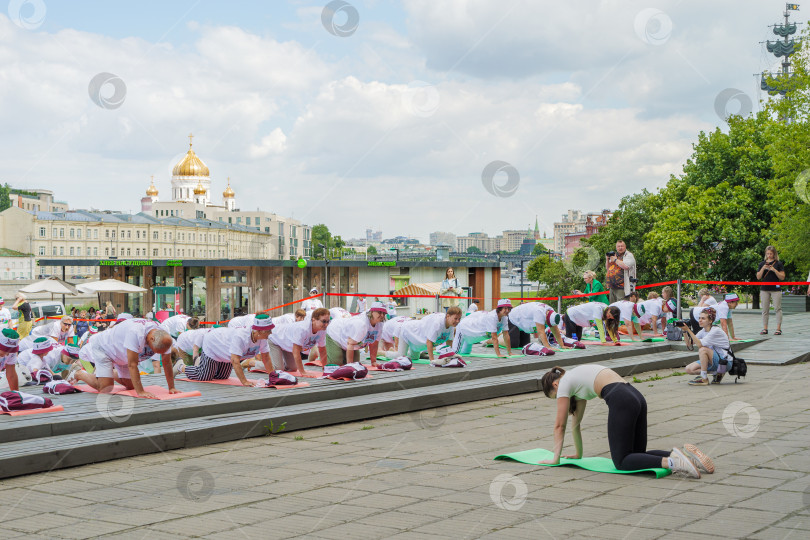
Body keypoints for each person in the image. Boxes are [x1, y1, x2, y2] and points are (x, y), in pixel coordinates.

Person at [539, 365, 712, 478]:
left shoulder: (563, 384)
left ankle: (674, 463)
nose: (561, 399)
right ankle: (686, 457)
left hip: (621, 399)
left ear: (555, 385)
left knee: (621, 462)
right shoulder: (576, 379)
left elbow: (559, 426)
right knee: (636, 455)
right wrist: (578, 454)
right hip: (635, 396)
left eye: (556, 398)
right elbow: (575, 426)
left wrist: (555, 459)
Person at [68, 318, 178, 398]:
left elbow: (166, 362)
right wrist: (141, 392)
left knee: (131, 386)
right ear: (152, 339)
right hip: (104, 348)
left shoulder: (164, 336)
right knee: (106, 388)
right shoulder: (136, 333)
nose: (154, 353)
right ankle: (78, 373)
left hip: (123, 354)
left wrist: (171, 387)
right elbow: (132, 365)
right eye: (155, 351)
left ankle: (109, 374)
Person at [175, 314, 274, 385]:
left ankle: (208, 367)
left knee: (222, 376)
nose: (270, 332)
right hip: (213, 343)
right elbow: (235, 361)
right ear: (259, 331)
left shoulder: (262, 337)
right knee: (204, 376)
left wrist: (272, 377)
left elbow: (266, 358)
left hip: (226, 352)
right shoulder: (241, 336)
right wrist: (244, 381)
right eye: (268, 330)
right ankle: (181, 366)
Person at [267, 308, 330, 374]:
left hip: (287, 343)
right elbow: (296, 351)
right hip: (274, 337)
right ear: (313, 319)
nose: (326, 324)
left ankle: (277, 362)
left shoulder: (322, 330)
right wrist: (302, 372)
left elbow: (322, 350)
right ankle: (259, 364)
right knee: (278, 369)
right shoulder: (303, 329)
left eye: (328, 321)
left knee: (292, 368)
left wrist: (325, 368)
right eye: (323, 321)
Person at [681, 307, 732, 386]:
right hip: (714, 360)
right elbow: (689, 345)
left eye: (703, 318)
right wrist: (684, 331)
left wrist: (689, 330)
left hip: (725, 362)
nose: (700, 320)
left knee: (703, 349)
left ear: (710, 321)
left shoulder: (715, 330)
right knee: (689, 369)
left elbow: (700, 345)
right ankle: (717, 373)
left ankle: (704, 378)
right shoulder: (703, 331)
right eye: (699, 318)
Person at [393, 308, 461, 361]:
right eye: (455, 318)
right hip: (407, 330)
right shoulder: (437, 324)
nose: (457, 321)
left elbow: (449, 341)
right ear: (448, 316)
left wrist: (450, 356)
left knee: (415, 358)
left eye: (459, 319)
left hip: (417, 337)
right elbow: (429, 342)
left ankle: (405, 351)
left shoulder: (451, 325)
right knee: (401, 358)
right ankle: (384, 353)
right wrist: (432, 360)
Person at [757, 245, 785, 336]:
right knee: (765, 309)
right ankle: (765, 328)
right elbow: (758, 277)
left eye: (771, 254)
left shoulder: (778, 264)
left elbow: (782, 277)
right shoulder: (762, 264)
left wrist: (774, 270)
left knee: (777, 308)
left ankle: (778, 328)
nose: (769, 255)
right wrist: (763, 268)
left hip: (775, 289)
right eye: (767, 253)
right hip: (764, 289)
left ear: (774, 254)